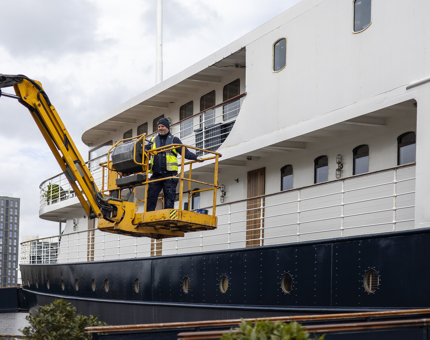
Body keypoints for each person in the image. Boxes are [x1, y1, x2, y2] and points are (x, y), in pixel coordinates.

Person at [145, 117, 202, 211]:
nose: (160, 128)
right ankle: (148, 215)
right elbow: (144, 152)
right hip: (156, 175)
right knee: (151, 197)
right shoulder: (153, 140)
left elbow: (185, 152)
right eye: (159, 126)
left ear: (167, 127)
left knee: (169, 198)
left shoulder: (174, 140)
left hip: (170, 175)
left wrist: (196, 157)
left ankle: (169, 216)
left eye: (162, 126)